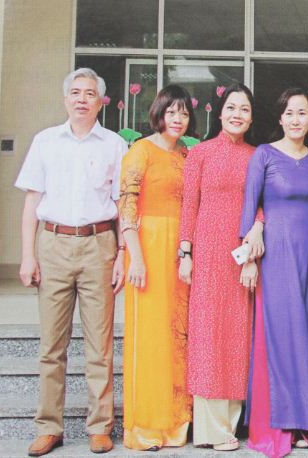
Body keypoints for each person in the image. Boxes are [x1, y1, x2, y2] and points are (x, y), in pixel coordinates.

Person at [15, 68, 127, 456]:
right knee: (52, 346)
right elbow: (31, 202)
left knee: (100, 346)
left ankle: (100, 427)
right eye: (75, 92)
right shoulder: (45, 141)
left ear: (101, 102)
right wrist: (28, 255)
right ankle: (49, 427)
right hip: (53, 245)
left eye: (90, 93)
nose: (82, 99)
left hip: (99, 245)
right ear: (66, 99)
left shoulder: (114, 145)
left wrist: (123, 254)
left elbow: (122, 205)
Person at [240, 88, 308, 458]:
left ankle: (307, 422)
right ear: (280, 118)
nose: (296, 119)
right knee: (279, 336)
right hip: (275, 256)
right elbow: (250, 207)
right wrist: (248, 258)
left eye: (302, 113)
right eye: (289, 113)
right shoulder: (264, 155)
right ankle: (277, 427)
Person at [178, 84, 264, 451]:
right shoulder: (200, 153)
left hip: (241, 255)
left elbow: (262, 205)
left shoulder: (257, 156)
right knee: (207, 336)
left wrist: (253, 250)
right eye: (231, 107)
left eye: (244, 109)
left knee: (237, 336)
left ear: (251, 117)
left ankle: (230, 424)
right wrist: (185, 252)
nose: (237, 115)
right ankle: (210, 429)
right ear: (219, 111)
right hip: (207, 255)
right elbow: (189, 204)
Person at [118, 84, 196, 450]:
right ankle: (146, 425)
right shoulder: (140, 150)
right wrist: (134, 255)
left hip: (179, 250)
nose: (178, 119)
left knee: (177, 335)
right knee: (149, 337)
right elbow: (127, 205)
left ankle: (175, 422)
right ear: (159, 113)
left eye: (184, 113)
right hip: (147, 247)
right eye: (171, 112)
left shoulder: (186, 154)